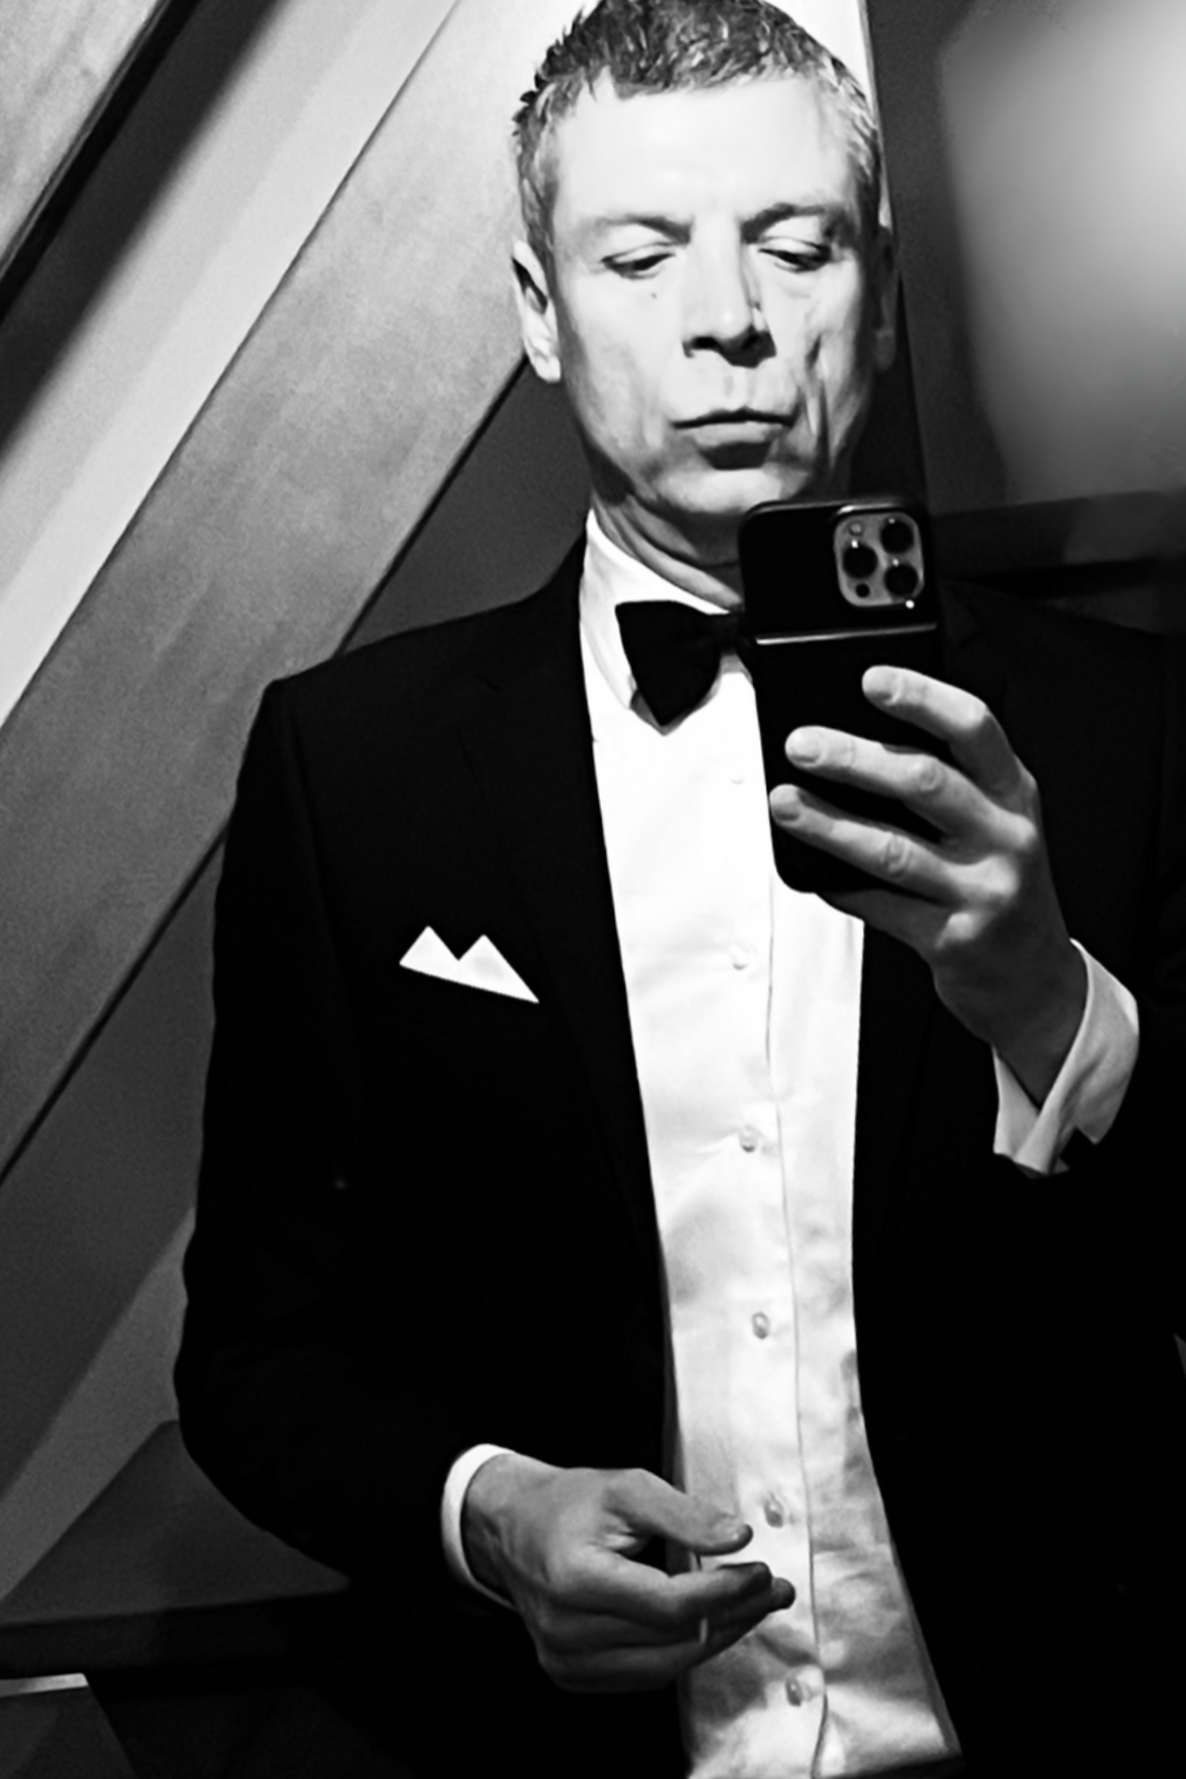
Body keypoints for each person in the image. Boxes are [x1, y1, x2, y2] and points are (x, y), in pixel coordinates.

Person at [175, 4, 1186, 1775]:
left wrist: (1054, 1004)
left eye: (794, 246)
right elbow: (258, 1356)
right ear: (537, 308)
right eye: (640, 257)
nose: (730, 317)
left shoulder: (1126, 734)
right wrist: (490, 1511)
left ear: (877, 290)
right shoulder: (354, 770)